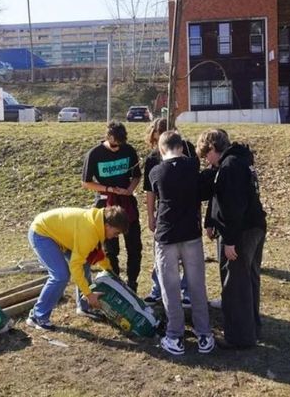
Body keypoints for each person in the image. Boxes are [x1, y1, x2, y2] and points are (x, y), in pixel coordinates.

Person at [196, 129, 267, 349]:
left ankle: (238, 338)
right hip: (255, 227)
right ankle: (253, 327)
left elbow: (233, 206)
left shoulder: (229, 167)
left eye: (206, 155)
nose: (207, 161)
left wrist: (229, 240)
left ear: (213, 148)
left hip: (241, 232)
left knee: (235, 284)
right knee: (250, 279)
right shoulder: (240, 160)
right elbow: (219, 196)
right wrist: (210, 221)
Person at [149, 131, 214, 355]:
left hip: (166, 235)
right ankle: (204, 333)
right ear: (181, 146)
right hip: (191, 234)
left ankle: (175, 335)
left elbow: (157, 194)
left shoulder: (156, 171)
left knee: (170, 287)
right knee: (197, 285)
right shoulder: (193, 167)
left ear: (161, 148)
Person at [26, 206, 129, 331]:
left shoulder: (97, 224)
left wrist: (110, 272)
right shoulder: (89, 232)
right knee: (60, 276)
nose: (116, 236)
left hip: (58, 234)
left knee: (84, 262)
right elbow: (75, 266)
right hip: (41, 233)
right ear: (108, 225)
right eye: (117, 232)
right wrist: (89, 294)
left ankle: (84, 307)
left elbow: (95, 255)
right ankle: (37, 316)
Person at [82, 121, 143, 292]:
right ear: (107, 137)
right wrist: (109, 189)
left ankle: (132, 283)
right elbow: (86, 183)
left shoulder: (129, 150)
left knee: (134, 246)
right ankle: (115, 282)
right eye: (114, 145)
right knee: (111, 249)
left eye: (120, 145)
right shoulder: (94, 154)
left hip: (127, 205)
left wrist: (130, 190)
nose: (117, 148)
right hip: (105, 204)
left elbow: (136, 176)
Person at [142, 118, 195, 306]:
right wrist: (150, 215)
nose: (158, 145)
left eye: (160, 139)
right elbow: (150, 190)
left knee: (188, 254)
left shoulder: (188, 149)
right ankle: (158, 289)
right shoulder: (152, 158)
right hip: (165, 214)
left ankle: (187, 291)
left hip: (187, 211)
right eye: (155, 140)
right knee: (161, 254)